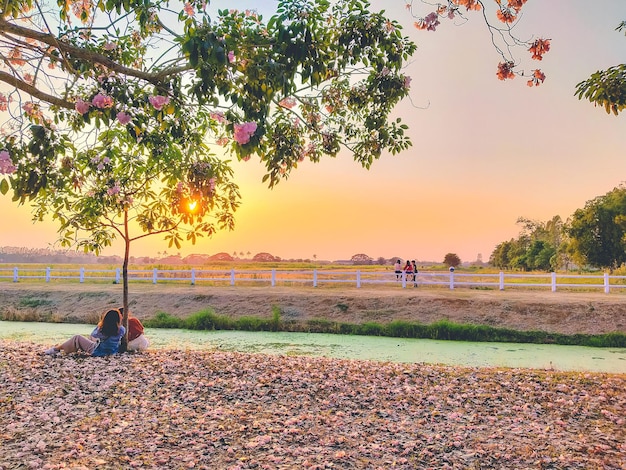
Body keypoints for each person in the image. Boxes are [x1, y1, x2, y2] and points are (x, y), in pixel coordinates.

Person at [44, 309, 126, 356]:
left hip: (99, 352)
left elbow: (93, 334)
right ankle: (64, 349)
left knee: (77, 337)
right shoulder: (122, 329)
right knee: (90, 340)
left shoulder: (101, 330)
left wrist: (100, 325)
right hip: (112, 351)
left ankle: (56, 349)